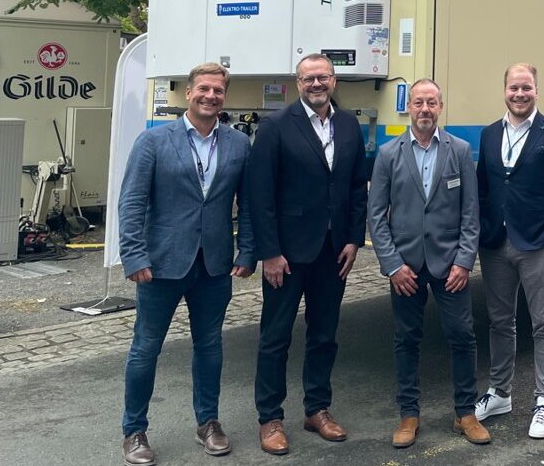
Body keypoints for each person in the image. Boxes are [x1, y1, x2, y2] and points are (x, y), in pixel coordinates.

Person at [118, 62, 256, 466]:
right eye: (204, 89)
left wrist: (247, 251)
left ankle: (208, 423)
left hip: (214, 265)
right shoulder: (153, 142)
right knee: (146, 348)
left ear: (224, 97)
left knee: (210, 346)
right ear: (189, 93)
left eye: (218, 90)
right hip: (160, 264)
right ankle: (134, 430)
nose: (211, 96)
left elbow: (248, 204)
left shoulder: (238, 144)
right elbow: (132, 202)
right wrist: (134, 254)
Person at [248, 54, 369, 455]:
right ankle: (270, 417)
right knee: (275, 337)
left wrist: (353, 239)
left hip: (334, 252)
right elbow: (260, 194)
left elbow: (356, 187)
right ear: (297, 83)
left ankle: (317, 409)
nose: (316, 84)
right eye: (308, 78)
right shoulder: (276, 126)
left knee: (324, 335)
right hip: (287, 254)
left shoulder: (348, 124)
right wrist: (269, 252)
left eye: (323, 77)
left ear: (334, 81)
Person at [367, 79, 490, 448]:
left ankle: (465, 413)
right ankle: (409, 415)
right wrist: (392, 265)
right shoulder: (388, 154)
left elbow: (470, 213)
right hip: (405, 267)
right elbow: (376, 215)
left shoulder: (460, 151)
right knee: (406, 340)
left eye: (431, 103)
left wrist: (464, 262)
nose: (425, 109)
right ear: (409, 107)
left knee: (463, 337)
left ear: (440, 107)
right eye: (418, 102)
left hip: (450, 266)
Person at [473, 64, 544, 439]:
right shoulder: (488, 134)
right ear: (505, 90)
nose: (520, 94)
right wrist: (481, 230)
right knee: (500, 322)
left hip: (537, 245)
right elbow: (483, 187)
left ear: (536, 91)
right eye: (514, 87)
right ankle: (500, 393)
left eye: (526, 87)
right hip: (496, 244)